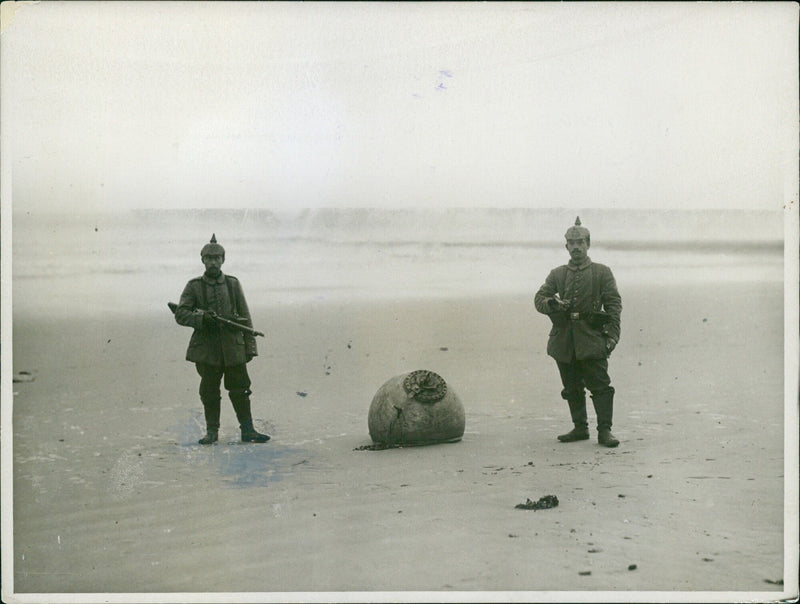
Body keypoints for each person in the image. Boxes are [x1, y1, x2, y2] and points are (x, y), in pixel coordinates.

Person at [534, 217, 622, 447]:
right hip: (564, 339)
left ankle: (605, 431)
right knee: (571, 386)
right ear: (566, 247)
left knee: (600, 385)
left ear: (588, 244)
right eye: (571, 243)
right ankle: (580, 428)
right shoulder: (557, 274)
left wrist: (612, 337)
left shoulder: (602, 272)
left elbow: (614, 305)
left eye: (580, 242)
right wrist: (552, 304)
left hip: (592, 338)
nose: (575, 247)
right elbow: (539, 298)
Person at [174, 234, 270, 445]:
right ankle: (212, 432)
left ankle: (248, 430)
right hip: (207, 350)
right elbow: (180, 315)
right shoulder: (194, 286)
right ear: (202, 260)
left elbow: (245, 317)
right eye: (209, 258)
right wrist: (201, 318)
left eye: (217, 258)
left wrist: (250, 348)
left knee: (241, 389)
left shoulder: (233, 284)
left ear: (223, 260)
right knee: (209, 391)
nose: (213, 262)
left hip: (233, 348)